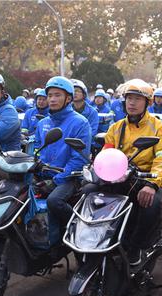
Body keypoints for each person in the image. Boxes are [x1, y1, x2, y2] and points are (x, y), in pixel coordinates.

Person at [92, 78, 162, 265]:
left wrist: (153, 185)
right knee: (88, 193)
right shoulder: (116, 127)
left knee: (150, 205)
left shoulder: (159, 128)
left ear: (147, 103)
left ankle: (137, 248)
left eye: (137, 99)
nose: (132, 103)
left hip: (146, 178)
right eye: (129, 98)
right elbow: (106, 153)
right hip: (118, 178)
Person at [34, 76, 91, 244]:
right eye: (50, 95)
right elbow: (36, 149)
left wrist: (55, 182)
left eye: (57, 95)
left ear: (68, 98)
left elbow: (78, 159)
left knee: (54, 201)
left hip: (69, 178)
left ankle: (77, 229)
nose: (51, 99)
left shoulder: (80, 123)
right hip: (43, 175)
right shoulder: (42, 123)